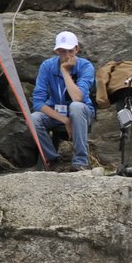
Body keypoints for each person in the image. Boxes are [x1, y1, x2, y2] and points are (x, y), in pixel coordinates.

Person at [31, 30, 97, 171]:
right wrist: (65, 120)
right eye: (62, 51)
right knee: (33, 118)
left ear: (77, 49)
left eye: (70, 51)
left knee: (76, 106)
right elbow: (38, 102)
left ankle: (80, 162)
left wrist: (65, 72)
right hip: (57, 112)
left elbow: (78, 98)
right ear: (56, 51)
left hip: (82, 113)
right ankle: (52, 159)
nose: (66, 56)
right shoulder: (47, 66)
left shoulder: (86, 66)